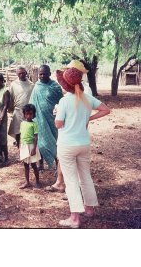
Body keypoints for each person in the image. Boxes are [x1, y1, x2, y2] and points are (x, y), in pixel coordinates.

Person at [55, 66, 110, 228]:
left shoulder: (64, 101)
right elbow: (106, 110)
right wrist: (88, 119)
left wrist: (56, 113)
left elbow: (58, 124)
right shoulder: (87, 98)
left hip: (67, 145)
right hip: (83, 143)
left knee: (71, 180)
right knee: (85, 176)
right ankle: (90, 208)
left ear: (65, 85)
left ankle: (75, 218)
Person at [46, 60, 91, 193]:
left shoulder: (85, 90)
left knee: (75, 159)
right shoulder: (70, 88)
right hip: (67, 130)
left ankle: (74, 190)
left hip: (75, 131)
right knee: (64, 157)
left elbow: (83, 111)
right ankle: (60, 182)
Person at [29, 64, 63, 170]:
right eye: (40, 74)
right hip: (39, 119)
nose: (42, 76)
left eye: (45, 74)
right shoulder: (37, 86)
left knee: (55, 140)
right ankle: (41, 164)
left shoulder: (55, 87)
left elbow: (61, 102)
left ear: (49, 73)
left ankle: (58, 163)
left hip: (52, 119)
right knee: (40, 141)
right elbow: (32, 102)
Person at [8, 66, 34, 148]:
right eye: (19, 73)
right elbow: (11, 97)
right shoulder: (13, 84)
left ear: (26, 73)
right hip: (18, 110)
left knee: (28, 129)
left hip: (28, 111)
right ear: (17, 74)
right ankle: (19, 145)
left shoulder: (31, 85)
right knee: (17, 129)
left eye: (23, 73)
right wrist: (11, 109)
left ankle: (28, 146)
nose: (21, 75)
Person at [19, 104, 41, 189]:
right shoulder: (22, 123)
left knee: (34, 165)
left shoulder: (34, 124)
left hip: (31, 146)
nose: (29, 116)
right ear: (24, 114)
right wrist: (20, 146)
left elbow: (36, 137)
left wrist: (34, 148)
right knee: (25, 165)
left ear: (33, 114)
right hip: (24, 146)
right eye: (27, 114)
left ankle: (38, 181)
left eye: (31, 114)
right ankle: (27, 182)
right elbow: (21, 135)